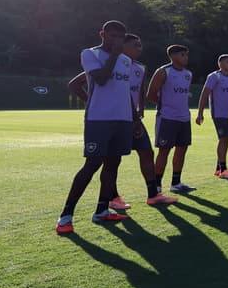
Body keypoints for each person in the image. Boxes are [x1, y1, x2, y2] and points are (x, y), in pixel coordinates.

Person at [67, 33, 177, 209]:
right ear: (121, 45)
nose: (139, 48)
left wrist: (140, 108)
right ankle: (113, 197)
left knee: (146, 152)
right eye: (135, 45)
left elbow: (138, 90)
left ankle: (153, 194)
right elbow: (75, 83)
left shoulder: (140, 68)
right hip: (110, 118)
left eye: (140, 45)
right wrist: (92, 100)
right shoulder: (108, 63)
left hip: (131, 118)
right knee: (110, 160)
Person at [56, 20, 134, 234]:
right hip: (99, 119)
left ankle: (101, 210)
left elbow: (123, 91)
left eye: (120, 37)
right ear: (102, 34)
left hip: (123, 120)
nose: (116, 40)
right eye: (112, 36)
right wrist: (115, 55)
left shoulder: (127, 61)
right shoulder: (90, 54)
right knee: (92, 165)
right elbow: (100, 79)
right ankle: (66, 216)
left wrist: (134, 118)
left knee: (113, 165)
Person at [147, 44, 196, 193]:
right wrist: (165, 106)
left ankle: (176, 183)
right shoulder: (163, 72)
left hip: (184, 118)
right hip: (167, 118)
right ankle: (157, 185)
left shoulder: (188, 74)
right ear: (173, 56)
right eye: (182, 55)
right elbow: (151, 94)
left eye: (187, 55)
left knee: (182, 150)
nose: (186, 57)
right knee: (164, 151)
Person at [196, 54, 228, 179]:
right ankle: (223, 169)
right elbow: (205, 94)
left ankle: (219, 168)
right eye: (227, 62)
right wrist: (200, 113)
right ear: (220, 64)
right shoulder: (214, 76)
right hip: (219, 114)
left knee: (227, 139)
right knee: (223, 138)